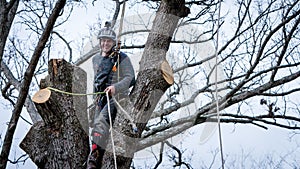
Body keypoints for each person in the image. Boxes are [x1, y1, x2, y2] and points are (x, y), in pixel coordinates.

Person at [87, 21, 135, 169]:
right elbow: (97, 81)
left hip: (117, 98)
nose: (105, 44)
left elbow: (131, 77)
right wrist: (95, 98)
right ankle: (98, 155)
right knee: (95, 127)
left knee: (101, 121)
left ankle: (93, 157)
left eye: (108, 41)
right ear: (100, 42)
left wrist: (116, 87)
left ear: (113, 42)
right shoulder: (96, 59)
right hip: (101, 98)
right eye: (103, 41)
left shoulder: (121, 57)